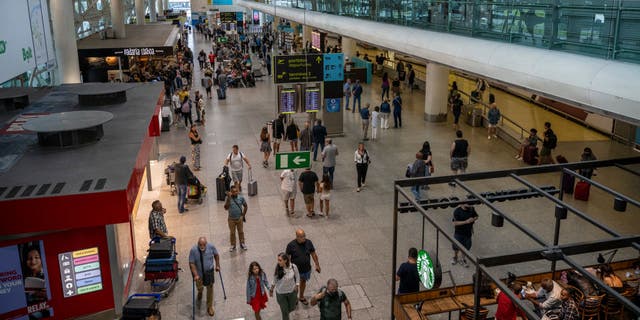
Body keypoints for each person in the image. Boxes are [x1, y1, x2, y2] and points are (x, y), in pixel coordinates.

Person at [286, 229, 321, 305]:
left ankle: (301, 297)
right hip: (295, 271)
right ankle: (294, 298)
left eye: (304, 236)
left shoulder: (308, 242)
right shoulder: (291, 245)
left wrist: (317, 264)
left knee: (303, 282)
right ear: (297, 237)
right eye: (302, 237)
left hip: (306, 269)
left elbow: (313, 254)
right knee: (295, 284)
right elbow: (287, 258)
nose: (304, 238)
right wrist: (287, 270)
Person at [189, 236, 220, 317]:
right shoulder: (193, 250)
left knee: (210, 289)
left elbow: (216, 255)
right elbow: (191, 263)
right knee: (199, 286)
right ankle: (200, 291)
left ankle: (209, 307)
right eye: (200, 245)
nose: (202, 246)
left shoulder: (211, 247)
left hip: (209, 273)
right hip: (198, 274)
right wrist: (195, 275)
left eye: (203, 245)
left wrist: (217, 265)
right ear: (198, 243)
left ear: (206, 244)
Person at [270, 253, 300, 320]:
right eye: (278, 260)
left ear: (285, 260)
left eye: (280, 260)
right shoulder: (278, 268)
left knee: (292, 308)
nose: (278, 262)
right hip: (281, 293)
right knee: (285, 312)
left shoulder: (293, 267)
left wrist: (297, 285)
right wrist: (271, 290)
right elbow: (274, 280)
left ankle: (286, 313)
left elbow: (297, 275)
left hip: (292, 291)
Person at [224, 185, 248, 252]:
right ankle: (233, 245)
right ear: (231, 192)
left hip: (239, 218)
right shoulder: (228, 198)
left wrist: (243, 215)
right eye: (233, 192)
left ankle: (242, 243)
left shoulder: (241, 198)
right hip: (231, 219)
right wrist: (228, 198)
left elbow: (245, 206)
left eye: (236, 191)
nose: (235, 193)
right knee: (232, 233)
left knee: (241, 232)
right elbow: (226, 208)